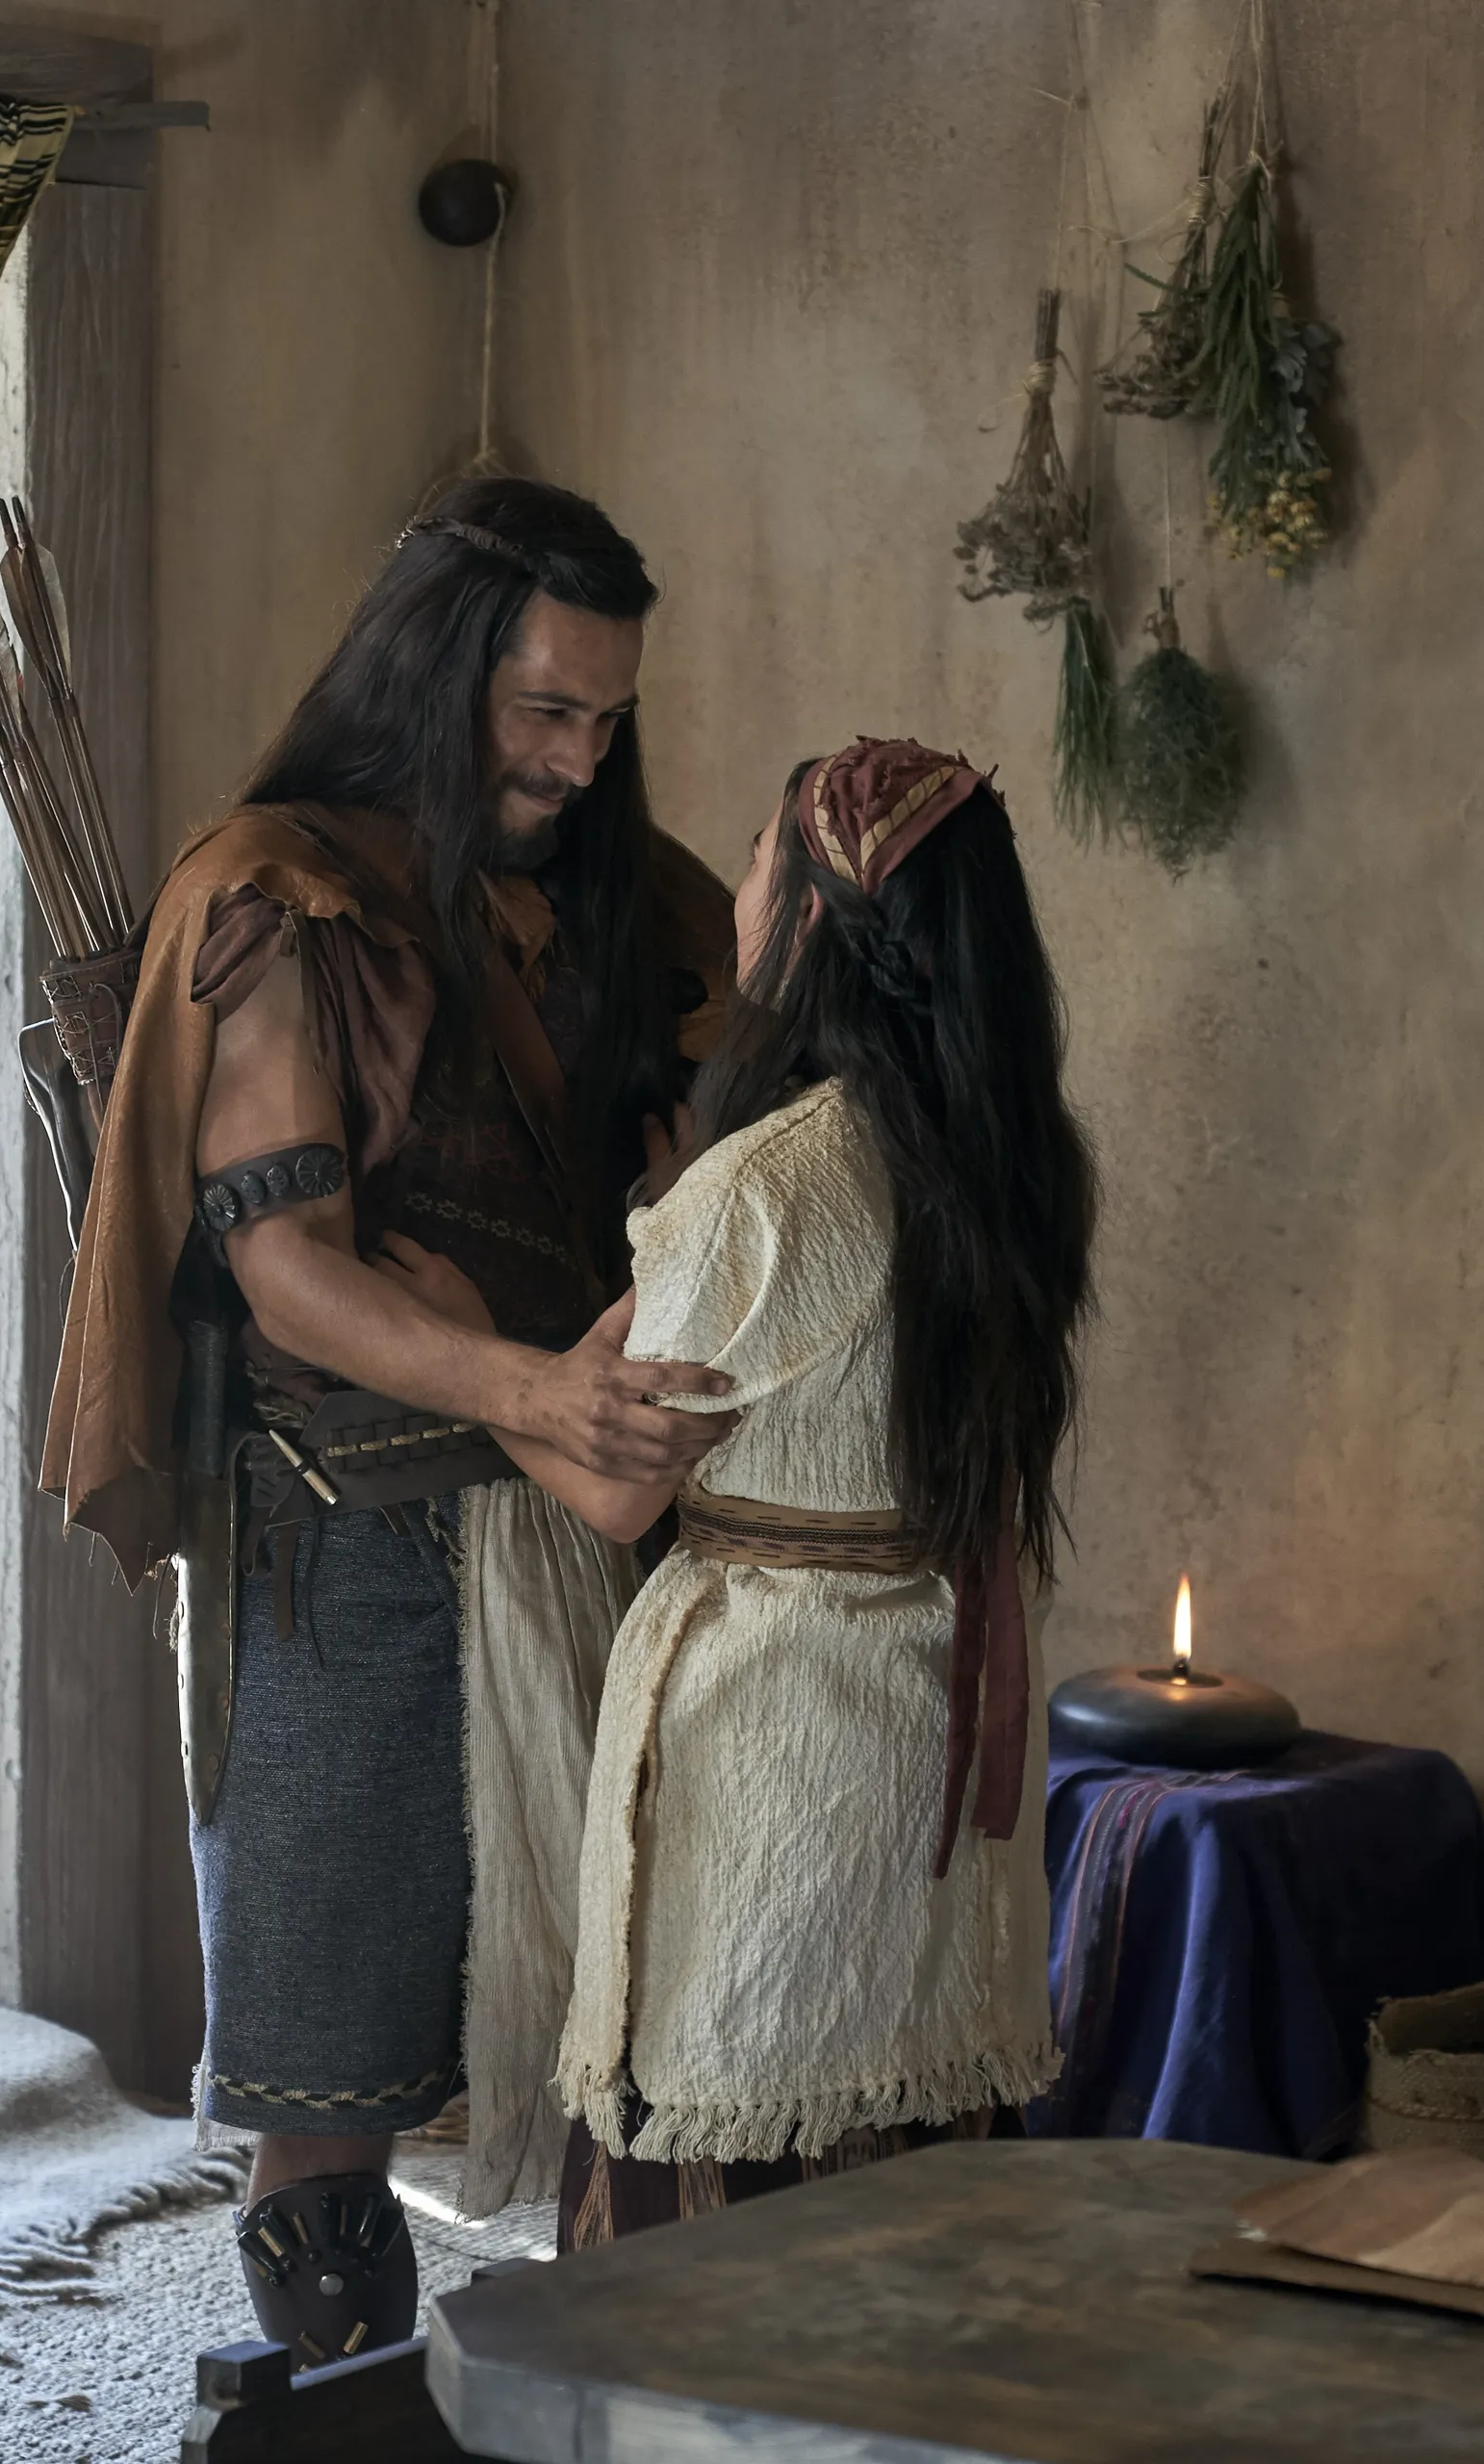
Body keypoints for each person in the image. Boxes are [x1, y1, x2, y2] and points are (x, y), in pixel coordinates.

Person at [41, 476, 735, 2363]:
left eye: (608, 718)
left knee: (623, 2041)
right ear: (440, 675)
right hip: (346, 1543)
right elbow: (288, 1267)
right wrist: (531, 1385)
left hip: (587, 1529)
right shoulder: (284, 895)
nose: (580, 760)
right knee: (328, 2085)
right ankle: (332, 2401)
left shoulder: (622, 895)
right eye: (544, 708)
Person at [398, 737, 1098, 2246]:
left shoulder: (770, 1185)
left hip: (774, 1725)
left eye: (762, 860)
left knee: (735, 2079)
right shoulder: (1014, 1156)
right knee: (900, 2073)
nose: (736, 891)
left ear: (816, 916)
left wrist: (458, 1358)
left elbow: (615, 1490)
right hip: (929, 1702)